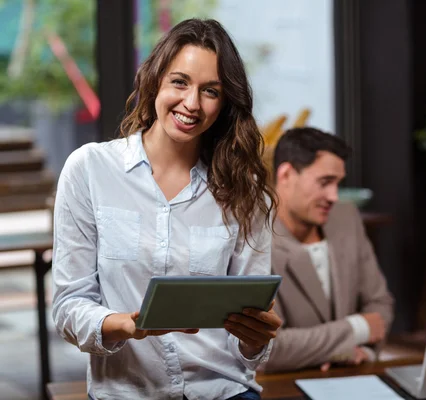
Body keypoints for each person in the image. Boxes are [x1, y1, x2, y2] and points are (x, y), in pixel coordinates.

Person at [51, 19, 282, 400]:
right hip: (126, 392)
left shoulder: (244, 190)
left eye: (210, 91)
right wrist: (125, 324)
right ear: (154, 79)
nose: (192, 104)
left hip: (223, 391)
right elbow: (67, 306)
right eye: (180, 82)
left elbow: (251, 344)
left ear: (224, 103)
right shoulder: (90, 169)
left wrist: (257, 341)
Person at [264, 127, 395, 372]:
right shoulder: (252, 236)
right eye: (325, 182)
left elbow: (380, 304)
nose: (334, 196)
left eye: (337, 183)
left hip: (352, 374)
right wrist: (358, 329)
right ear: (286, 175)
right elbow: (268, 347)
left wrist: (363, 352)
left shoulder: (346, 217)